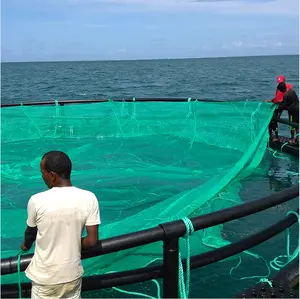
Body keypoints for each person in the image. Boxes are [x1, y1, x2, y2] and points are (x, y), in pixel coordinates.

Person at [21, 150, 100, 299]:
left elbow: (30, 233)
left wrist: (25, 246)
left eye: (42, 172)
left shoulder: (36, 200)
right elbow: (92, 240)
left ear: (52, 175)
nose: (42, 176)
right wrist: (72, 242)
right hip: (72, 275)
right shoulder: (90, 198)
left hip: (45, 278)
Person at [265, 75, 293, 141]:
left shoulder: (288, 86)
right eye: (279, 82)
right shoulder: (279, 88)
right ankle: (272, 135)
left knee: (275, 119)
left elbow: (287, 97)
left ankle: (293, 138)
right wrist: (271, 100)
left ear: (284, 80)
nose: (280, 83)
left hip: (283, 106)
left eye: (281, 81)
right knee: (272, 119)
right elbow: (277, 98)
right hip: (278, 105)